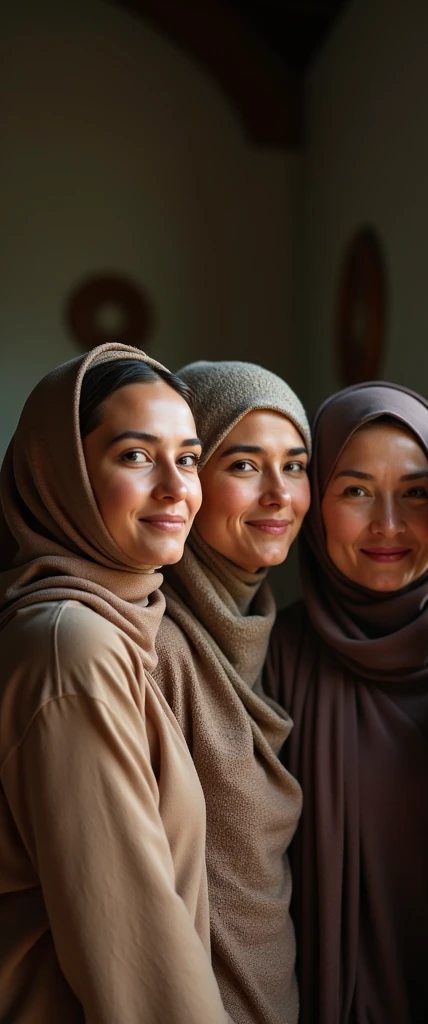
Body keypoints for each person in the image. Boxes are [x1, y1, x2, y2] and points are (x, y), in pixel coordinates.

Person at [0, 344, 228, 1022]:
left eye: (187, 458)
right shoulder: (72, 647)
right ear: (60, 474)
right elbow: (140, 958)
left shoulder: (119, 631)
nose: (176, 487)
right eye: (135, 456)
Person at [264, 382, 428, 1024]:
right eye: (355, 490)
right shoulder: (266, 660)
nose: (388, 524)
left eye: (416, 492)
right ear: (316, 505)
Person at [153, 361, 311, 1024]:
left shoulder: (261, 631)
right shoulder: (152, 647)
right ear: (188, 480)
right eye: (244, 466)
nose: (279, 494)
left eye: (296, 465)